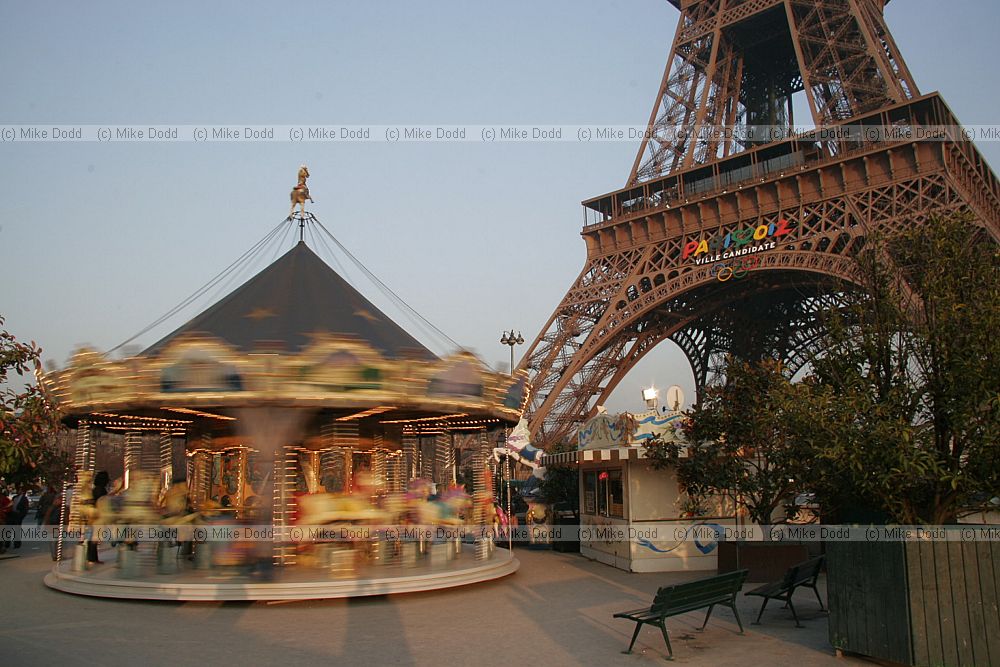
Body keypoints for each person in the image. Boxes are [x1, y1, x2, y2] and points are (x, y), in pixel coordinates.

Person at [86, 471, 110, 563]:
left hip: (94, 516)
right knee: (94, 537)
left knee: (93, 537)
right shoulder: (101, 490)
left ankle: (92, 557)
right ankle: (92, 558)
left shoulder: (95, 489)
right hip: (98, 516)